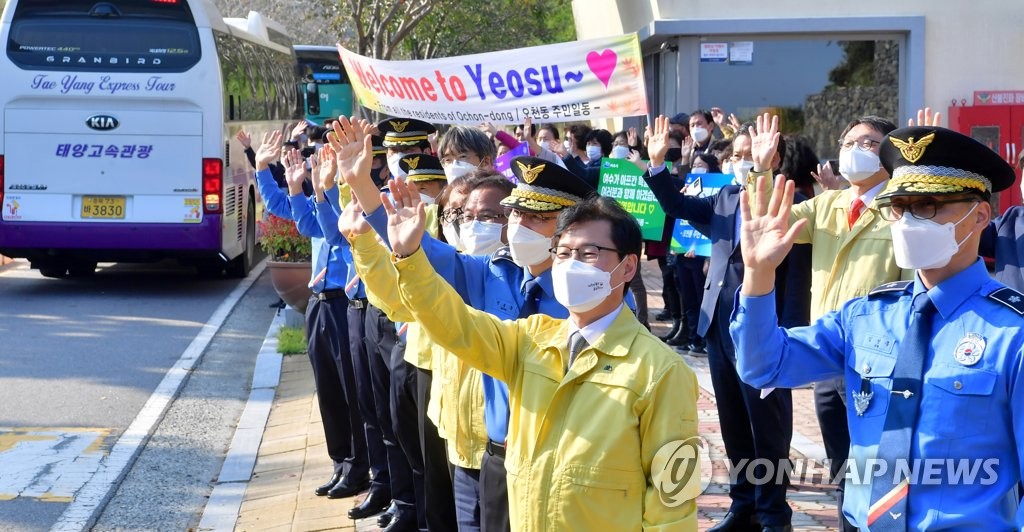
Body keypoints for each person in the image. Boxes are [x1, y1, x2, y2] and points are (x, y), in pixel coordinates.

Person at [730, 125, 1024, 529]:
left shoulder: (1013, 333)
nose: (907, 220)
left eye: (928, 205)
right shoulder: (867, 315)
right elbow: (764, 367)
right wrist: (758, 275)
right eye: (899, 207)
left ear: (980, 216)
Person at [382, 179, 701, 530]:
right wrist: (410, 257)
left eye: (589, 253)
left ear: (626, 267)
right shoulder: (530, 340)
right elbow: (454, 325)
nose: (572, 264)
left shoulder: (661, 371)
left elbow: (674, 502)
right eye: (563, 253)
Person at [643, 114, 812, 532]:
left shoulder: (782, 199)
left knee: (768, 428)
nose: (741, 161)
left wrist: (762, 169)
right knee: (734, 421)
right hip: (719, 328)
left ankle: (774, 514)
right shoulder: (724, 200)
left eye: (749, 154)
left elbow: (790, 264)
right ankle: (744, 506)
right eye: (736, 155)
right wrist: (658, 164)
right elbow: (675, 204)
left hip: (764, 331)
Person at [780, 114, 906, 532]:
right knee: (843, 469)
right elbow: (768, 220)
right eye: (848, 141)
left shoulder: (904, 206)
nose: (854, 150)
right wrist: (761, 169)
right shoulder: (827, 204)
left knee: (883, 469)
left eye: (868, 143)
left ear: (890, 152)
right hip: (832, 359)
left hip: (882, 365)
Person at [252, 132, 370, 500]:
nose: (321, 162)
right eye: (320, 156)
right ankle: (341, 463)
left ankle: (359, 467)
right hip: (319, 301)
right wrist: (268, 173)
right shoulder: (323, 189)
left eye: (328, 155)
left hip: (344, 301)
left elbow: (336, 235)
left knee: (353, 390)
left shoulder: (352, 195)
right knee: (328, 388)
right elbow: (296, 218)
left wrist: (322, 191)